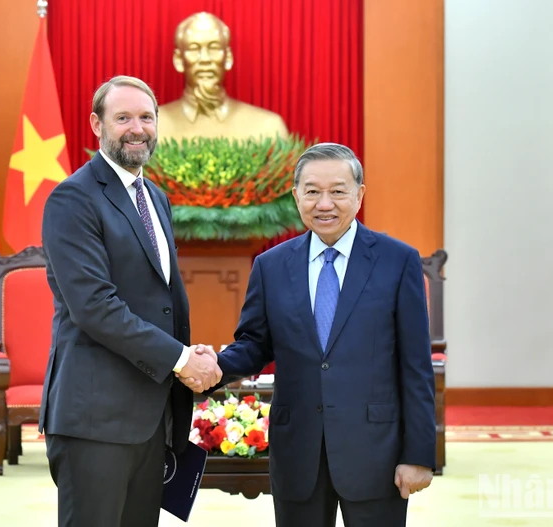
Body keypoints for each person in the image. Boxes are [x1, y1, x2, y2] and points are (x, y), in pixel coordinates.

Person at [181, 143, 437, 526]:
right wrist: (213, 365)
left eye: (338, 191)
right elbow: (254, 345)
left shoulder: (397, 261)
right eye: (313, 191)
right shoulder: (271, 266)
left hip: (375, 452)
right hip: (297, 453)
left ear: (359, 195)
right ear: (296, 196)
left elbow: (416, 365)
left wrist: (417, 455)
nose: (324, 203)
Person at [38, 75, 222, 527]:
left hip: (151, 419)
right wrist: (182, 360)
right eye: (123, 118)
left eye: (146, 117)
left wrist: (188, 356)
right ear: (96, 125)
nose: (137, 129)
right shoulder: (73, 198)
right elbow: (95, 307)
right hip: (95, 421)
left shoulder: (154, 197)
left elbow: (159, 300)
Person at [157, 11, 289, 142]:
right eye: (194, 49)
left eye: (214, 48)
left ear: (228, 58)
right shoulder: (154, 127)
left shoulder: (267, 128)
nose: (205, 59)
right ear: (179, 60)